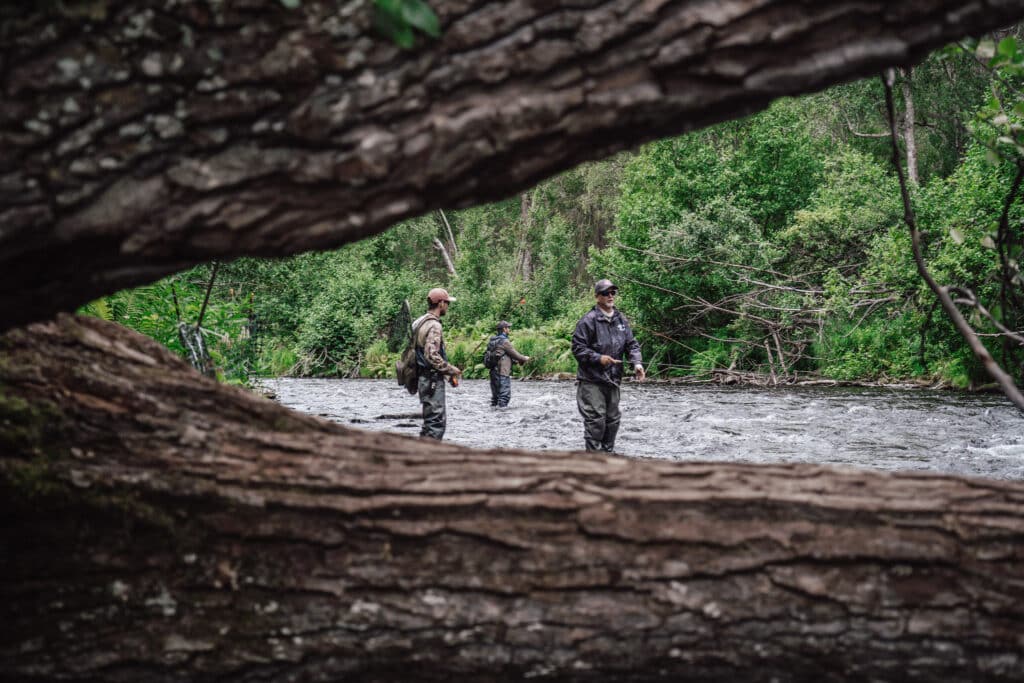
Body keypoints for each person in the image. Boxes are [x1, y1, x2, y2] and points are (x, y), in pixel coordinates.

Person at [571, 278, 645, 452]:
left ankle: (607, 456)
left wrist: (637, 364)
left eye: (613, 292)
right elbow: (578, 348)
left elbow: (632, 344)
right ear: (597, 297)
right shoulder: (588, 321)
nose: (610, 296)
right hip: (591, 380)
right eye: (606, 293)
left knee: (612, 420)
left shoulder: (621, 320)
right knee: (596, 419)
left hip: (613, 379)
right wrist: (598, 358)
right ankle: (594, 460)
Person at [412, 287, 462, 440]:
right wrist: (452, 370)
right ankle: (430, 458)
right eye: (447, 303)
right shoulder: (434, 325)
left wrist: (447, 375)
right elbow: (432, 355)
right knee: (436, 423)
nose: (448, 306)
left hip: (422, 379)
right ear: (440, 303)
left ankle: (421, 455)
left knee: (429, 423)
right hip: (432, 381)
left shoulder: (419, 322)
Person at [487, 320, 530, 408]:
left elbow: (503, 355)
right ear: (504, 329)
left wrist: (516, 361)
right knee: (504, 397)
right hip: (502, 373)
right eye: (508, 328)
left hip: (493, 373)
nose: (509, 330)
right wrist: (525, 358)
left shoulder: (492, 341)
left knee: (495, 398)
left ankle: (493, 416)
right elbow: (516, 355)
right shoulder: (504, 342)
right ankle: (502, 417)